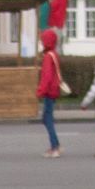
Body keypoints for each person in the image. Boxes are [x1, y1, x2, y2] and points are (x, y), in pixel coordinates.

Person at [36, 28, 63, 157]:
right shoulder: (54, 54)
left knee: (47, 119)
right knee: (47, 118)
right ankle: (55, 145)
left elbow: (46, 76)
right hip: (54, 90)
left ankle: (55, 147)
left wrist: (40, 91)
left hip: (49, 92)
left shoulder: (48, 56)